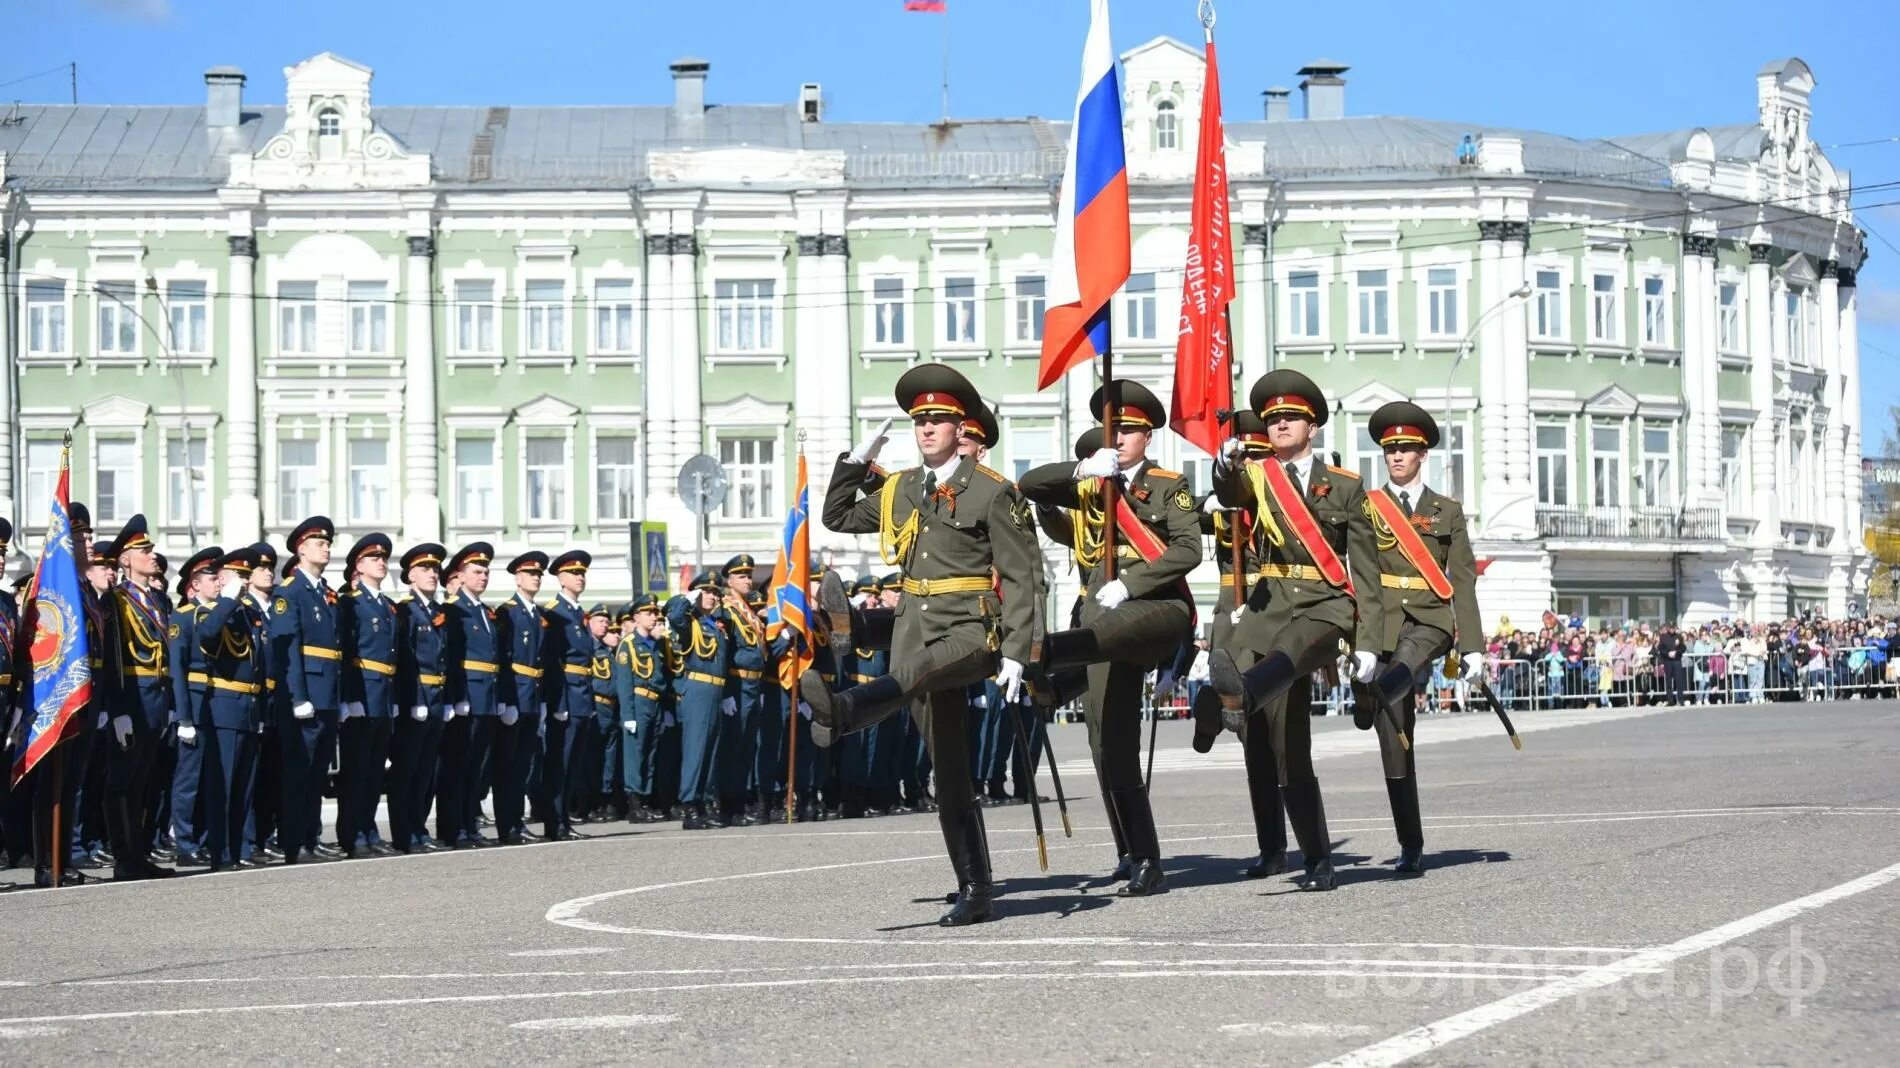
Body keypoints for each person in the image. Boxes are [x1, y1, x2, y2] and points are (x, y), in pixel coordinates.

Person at [808, 362, 1045, 925]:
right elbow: (837, 516)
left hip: (969, 627)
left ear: (958, 426)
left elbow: (1022, 575)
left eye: (939, 420)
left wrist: (1017, 649)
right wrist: (854, 461)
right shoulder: (903, 489)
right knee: (950, 768)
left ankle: (845, 711)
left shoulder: (993, 492)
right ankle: (976, 887)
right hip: (913, 623)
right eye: (921, 421)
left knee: (921, 672)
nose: (929, 429)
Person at [1016, 380, 1200, 896]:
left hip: (1149, 606)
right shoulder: (1093, 483)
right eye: (1112, 431)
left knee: (1117, 744)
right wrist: (1079, 471)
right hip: (1099, 618)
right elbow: (1030, 484)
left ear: (1148, 436)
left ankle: (1148, 859)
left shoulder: (1168, 484)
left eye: (1130, 432)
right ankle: (1128, 849)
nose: (1119, 440)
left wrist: (1133, 581)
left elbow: (1189, 550)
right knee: (1104, 744)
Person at [1206, 369, 1384, 892]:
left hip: (1325, 607)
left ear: (1312, 425)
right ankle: (1228, 702)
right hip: (1267, 604)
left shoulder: (1347, 486)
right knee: (1275, 745)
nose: (1280, 424)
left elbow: (1366, 570)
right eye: (1273, 418)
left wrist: (1368, 642)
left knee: (1287, 671)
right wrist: (1223, 466)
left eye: (1290, 417)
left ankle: (1318, 858)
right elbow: (1232, 490)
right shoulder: (1258, 476)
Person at [1351, 403, 1485, 876]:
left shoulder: (1444, 511)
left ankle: (1378, 692)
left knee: (1409, 660)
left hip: (1429, 619)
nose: (1396, 456)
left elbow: (1462, 579)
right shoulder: (1365, 508)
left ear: (1422, 453)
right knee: (1395, 741)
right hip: (1380, 622)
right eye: (1390, 449)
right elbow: (1363, 576)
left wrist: (1472, 646)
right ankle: (1410, 842)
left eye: (1405, 449)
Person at [1194, 410, 1291, 879]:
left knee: (1279, 737)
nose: (1248, 466)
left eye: (1256, 457)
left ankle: (1290, 842)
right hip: (1230, 612)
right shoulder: (1225, 499)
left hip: (1272, 610)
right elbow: (1180, 516)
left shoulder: (1282, 498)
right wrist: (1208, 503)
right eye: (1242, 458)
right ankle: (1270, 846)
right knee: (1252, 740)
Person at [100, 515, 178, 882]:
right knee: (121, 782)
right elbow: (115, 656)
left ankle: (139, 853)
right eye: (144, 550)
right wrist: (118, 711)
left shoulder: (159, 599)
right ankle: (124, 856)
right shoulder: (117, 600)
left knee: (144, 782)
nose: (152, 555)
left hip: (157, 700)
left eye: (151, 549)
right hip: (132, 701)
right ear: (126, 559)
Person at [269, 516, 346, 864]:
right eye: (319, 543)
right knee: (299, 773)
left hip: (326, 693)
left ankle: (311, 838)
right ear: (301, 549)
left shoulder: (322, 593)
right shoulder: (290, 591)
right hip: (306, 697)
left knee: (317, 775)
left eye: (327, 542)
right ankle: (294, 842)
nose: (326, 547)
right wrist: (298, 696)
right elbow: (288, 648)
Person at [192, 545, 273, 871]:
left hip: (249, 709)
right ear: (223, 578)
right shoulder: (211, 610)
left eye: (245, 575)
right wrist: (226, 598)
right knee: (222, 787)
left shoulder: (246, 613)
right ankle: (220, 853)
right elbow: (207, 635)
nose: (243, 581)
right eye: (237, 575)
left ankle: (238, 849)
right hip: (224, 709)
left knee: (243, 787)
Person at [336, 532, 399, 859]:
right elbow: (345, 652)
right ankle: (352, 835)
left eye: (384, 558)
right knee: (356, 771)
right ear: (358, 566)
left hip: (383, 696)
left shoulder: (387, 606)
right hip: (362, 694)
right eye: (374, 558)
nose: (382, 562)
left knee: (375, 771)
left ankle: (369, 830)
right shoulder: (350, 602)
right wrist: (348, 696)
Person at [166, 546, 224, 870]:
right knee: (188, 779)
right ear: (195, 584)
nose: (218, 583)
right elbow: (178, 670)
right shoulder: (184, 617)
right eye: (212, 578)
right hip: (195, 703)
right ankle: (184, 843)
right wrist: (184, 717)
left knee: (208, 779)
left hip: (216, 703)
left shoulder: (217, 615)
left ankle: (201, 841)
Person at [390, 543, 450, 853]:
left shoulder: (438, 611)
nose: (432, 574)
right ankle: (404, 833)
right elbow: (404, 659)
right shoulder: (405, 610)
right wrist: (413, 700)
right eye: (425, 569)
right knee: (407, 770)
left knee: (427, 770)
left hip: (437, 697)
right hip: (418, 698)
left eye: (435, 569)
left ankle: (420, 828)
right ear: (410, 575)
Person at [443, 542, 503, 848]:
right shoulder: (453, 610)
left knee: (476, 767)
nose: (483, 577)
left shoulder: (484, 611)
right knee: (459, 767)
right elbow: (451, 657)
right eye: (477, 572)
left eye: (486, 572)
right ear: (461, 576)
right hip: (468, 696)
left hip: (487, 697)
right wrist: (457, 696)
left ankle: (471, 824)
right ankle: (457, 828)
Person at [667, 572, 731, 830]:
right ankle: (689, 805)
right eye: (706, 591)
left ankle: (705, 801)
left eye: (715, 592)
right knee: (696, 749)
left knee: (711, 751)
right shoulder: (689, 622)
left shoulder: (714, 624)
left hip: (716, 690)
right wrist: (687, 597)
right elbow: (673, 616)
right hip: (698, 687)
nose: (712, 596)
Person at [539, 550, 596, 841]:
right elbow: (552, 662)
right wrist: (557, 702)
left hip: (581, 693)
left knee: (573, 761)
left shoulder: (576, 612)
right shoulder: (555, 612)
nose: (580, 577)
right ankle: (554, 821)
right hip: (566, 696)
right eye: (574, 573)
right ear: (561, 578)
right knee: (559, 761)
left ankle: (564, 818)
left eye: (583, 573)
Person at [492, 552, 548, 845]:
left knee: (523, 765)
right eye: (530, 574)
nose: (536, 578)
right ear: (517, 578)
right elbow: (501, 658)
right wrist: (506, 700)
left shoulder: (537, 615)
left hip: (532, 697)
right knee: (508, 767)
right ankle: (507, 826)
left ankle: (518, 821)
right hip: (515, 696)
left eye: (539, 574)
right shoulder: (508, 612)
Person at [718, 555, 768, 827]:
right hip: (736, 685)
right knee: (732, 748)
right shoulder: (727, 610)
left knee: (746, 748)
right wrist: (726, 692)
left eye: (749, 576)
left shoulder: (747, 611)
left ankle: (738, 802)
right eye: (741, 576)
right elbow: (724, 653)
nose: (748, 580)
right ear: (729, 581)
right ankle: (728, 805)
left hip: (752, 685)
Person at [615, 594, 671, 823]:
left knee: (649, 754)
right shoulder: (628, 645)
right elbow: (624, 683)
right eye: (648, 613)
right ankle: (634, 805)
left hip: (654, 702)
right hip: (637, 703)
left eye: (654, 612)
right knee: (634, 755)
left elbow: (661, 676)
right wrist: (628, 715)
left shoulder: (657, 644)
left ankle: (646, 801)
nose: (653, 617)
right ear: (636, 617)